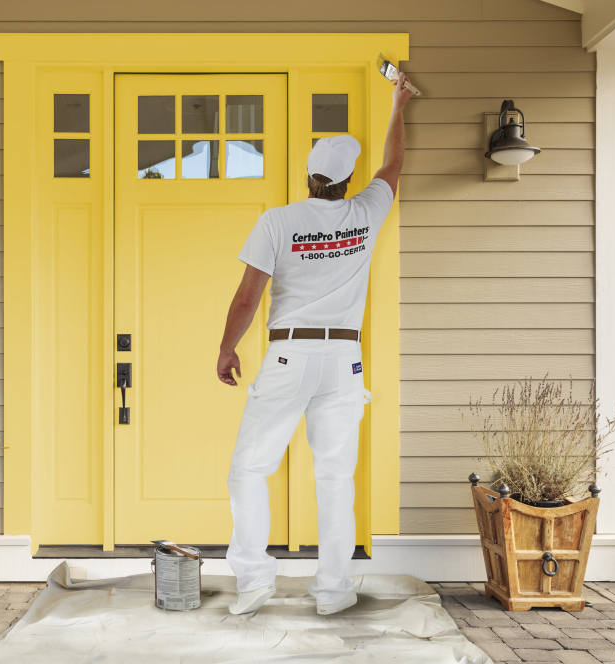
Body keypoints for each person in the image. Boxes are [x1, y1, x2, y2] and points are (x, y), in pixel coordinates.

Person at [216, 73, 414, 616]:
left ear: (309, 174)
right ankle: (332, 593)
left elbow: (246, 298)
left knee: (251, 468)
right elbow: (392, 167)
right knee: (334, 477)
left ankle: (255, 583)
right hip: (343, 362)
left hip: (289, 355)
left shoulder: (278, 222)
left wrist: (227, 348)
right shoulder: (366, 212)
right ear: (349, 180)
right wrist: (398, 106)